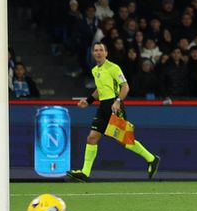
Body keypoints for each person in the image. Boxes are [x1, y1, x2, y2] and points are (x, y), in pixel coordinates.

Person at [66, 43, 160, 182]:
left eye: (101, 50)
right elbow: (99, 89)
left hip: (114, 106)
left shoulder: (113, 68)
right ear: (92, 53)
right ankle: (85, 173)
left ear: (106, 53)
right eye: (96, 50)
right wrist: (88, 101)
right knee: (92, 138)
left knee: (124, 140)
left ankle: (151, 159)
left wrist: (118, 101)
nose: (98, 53)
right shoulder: (95, 70)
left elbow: (125, 87)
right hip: (103, 107)